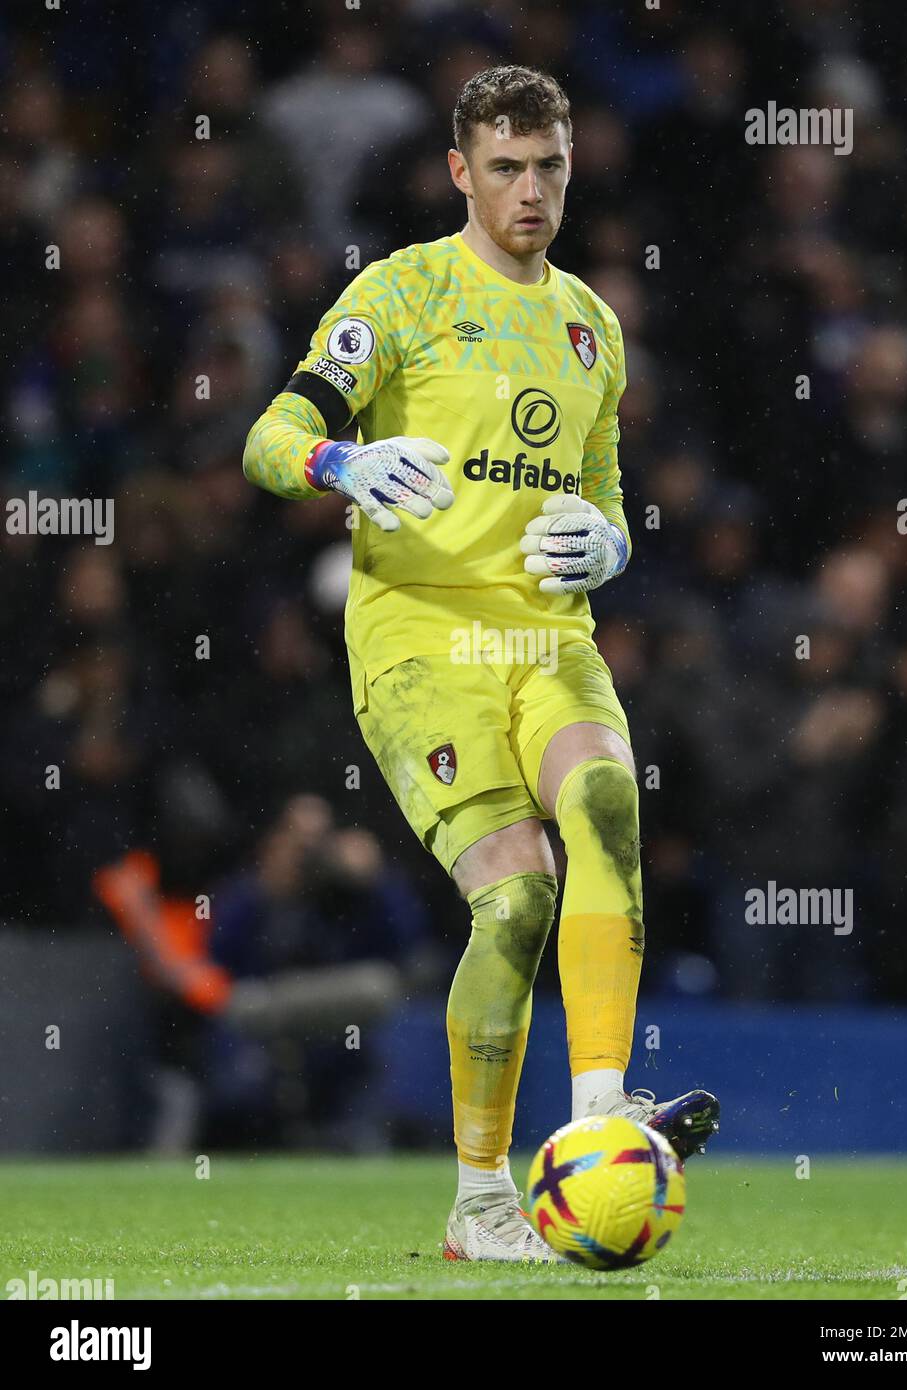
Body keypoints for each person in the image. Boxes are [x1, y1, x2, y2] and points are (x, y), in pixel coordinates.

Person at [243, 64, 719, 1262]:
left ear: (570, 168)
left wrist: (609, 542)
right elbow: (271, 433)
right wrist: (335, 467)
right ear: (459, 171)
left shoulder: (592, 326)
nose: (528, 191)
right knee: (515, 900)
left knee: (606, 797)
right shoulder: (398, 293)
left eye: (548, 166)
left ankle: (602, 1114)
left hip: (545, 631)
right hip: (416, 634)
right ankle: (479, 1202)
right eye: (503, 167)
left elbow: (601, 498)